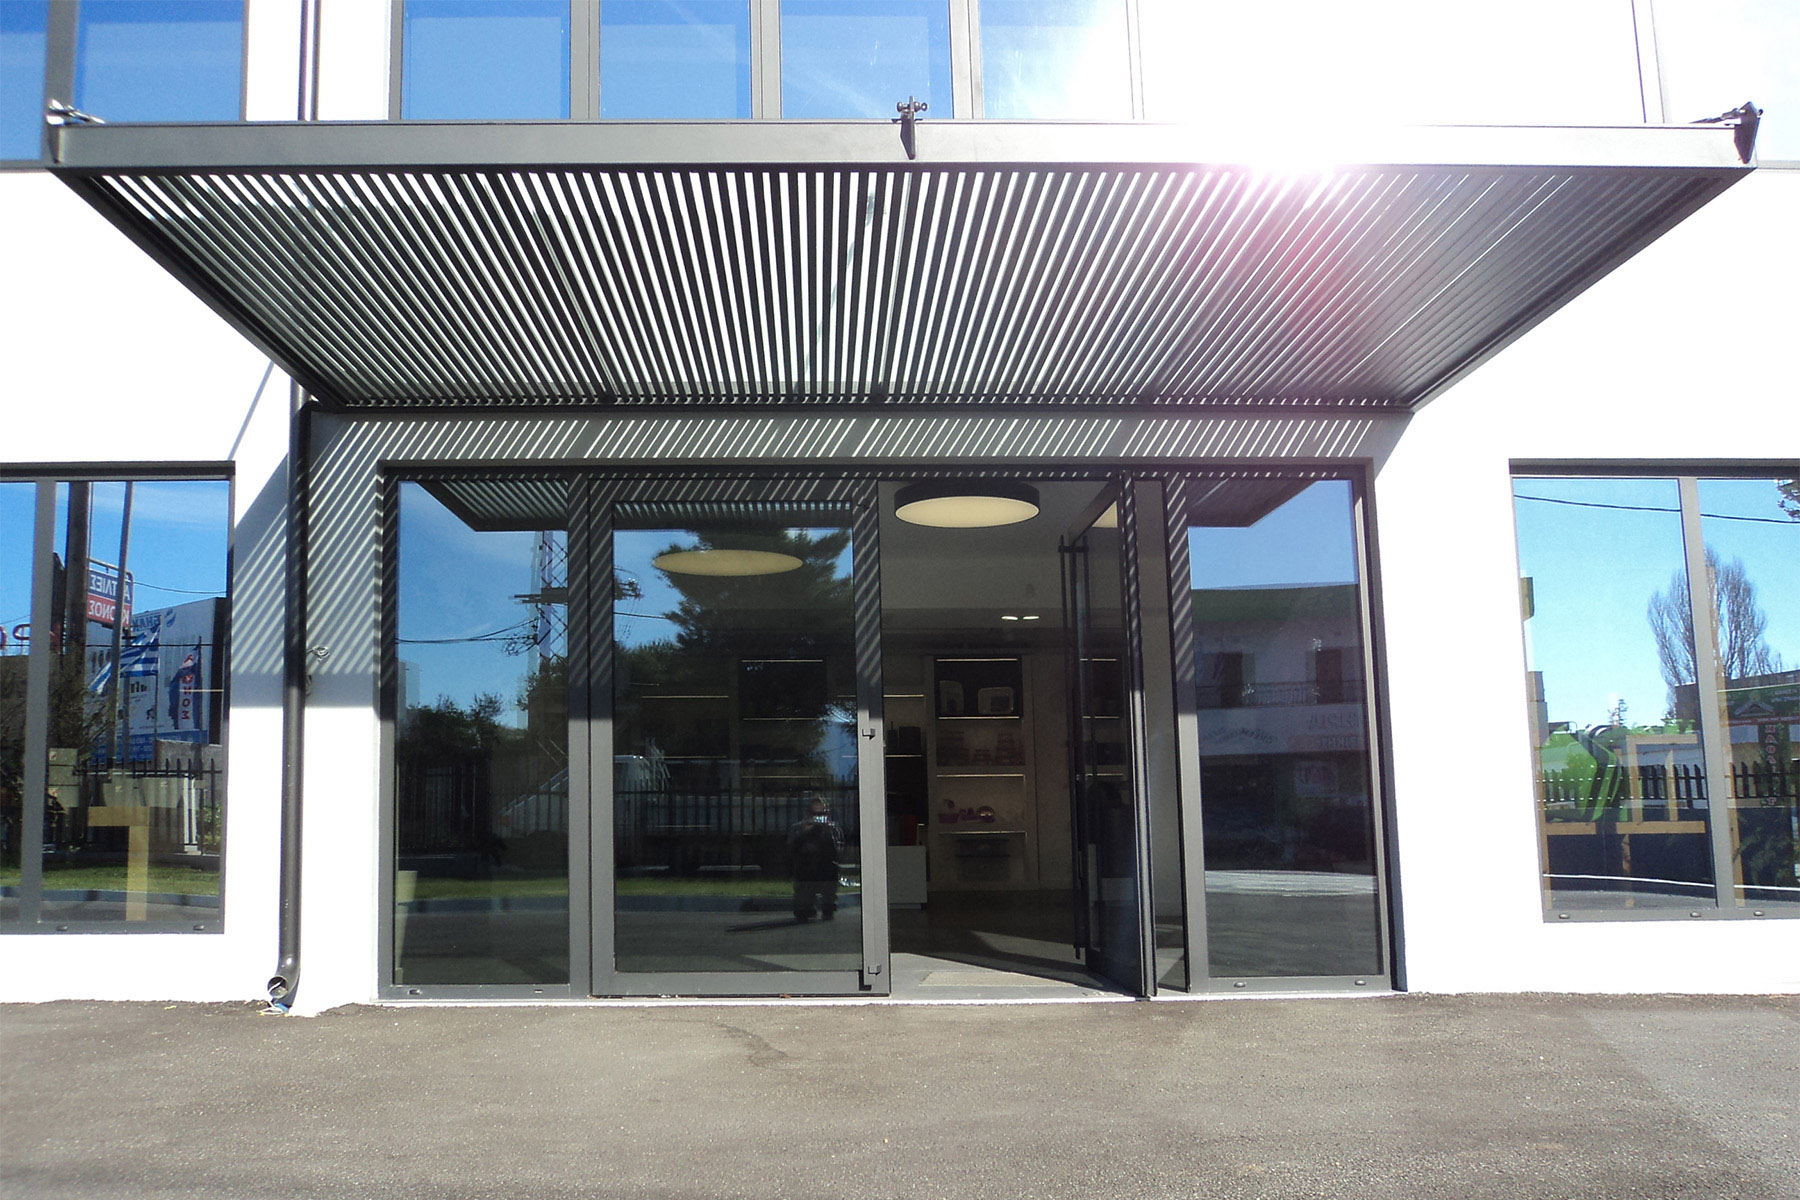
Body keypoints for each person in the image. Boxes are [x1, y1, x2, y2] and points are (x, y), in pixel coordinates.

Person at [786, 796, 843, 921]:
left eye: (821, 814)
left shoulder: (833, 829)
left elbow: (837, 853)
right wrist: (805, 832)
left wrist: (828, 833)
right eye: (814, 814)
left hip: (826, 869)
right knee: (803, 910)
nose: (818, 818)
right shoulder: (798, 828)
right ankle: (806, 905)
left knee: (830, 879)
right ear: (808, 813)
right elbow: (791, 849)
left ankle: (828, 905)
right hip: (805, 869)